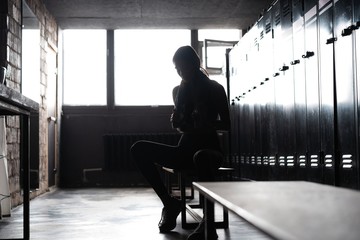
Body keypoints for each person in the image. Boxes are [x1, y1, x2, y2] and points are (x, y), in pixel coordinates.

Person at [131, 45, 230, 240]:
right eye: (176, 68)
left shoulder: (215, 88)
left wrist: (207, 123)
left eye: (181, 67)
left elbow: (226, 125)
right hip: (184, 151)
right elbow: (182, 126)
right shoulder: (180, 90)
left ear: (194, 64)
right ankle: (169, 203)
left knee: (200, 156)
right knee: (138, 148)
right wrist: (177, 123)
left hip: (209, 151)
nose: (178, 71)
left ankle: (208, 226)